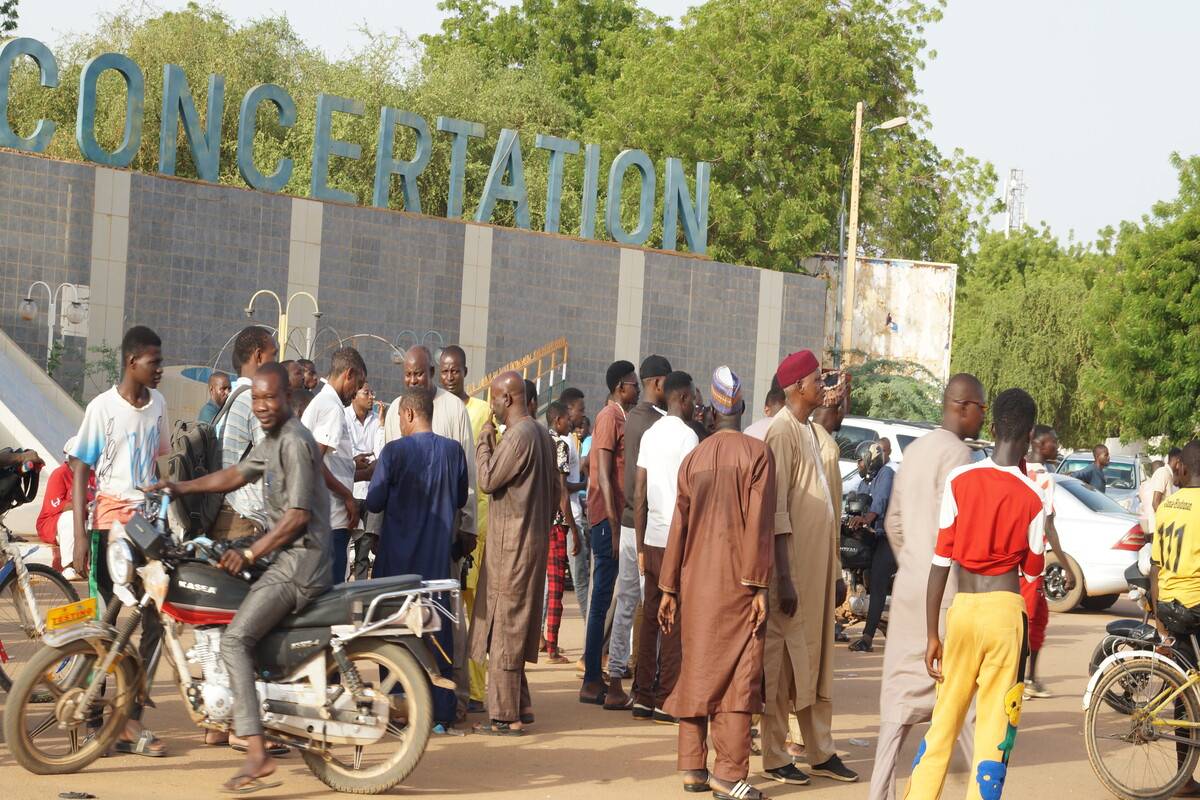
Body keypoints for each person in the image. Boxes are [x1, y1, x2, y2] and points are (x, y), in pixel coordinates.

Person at [150, 362, 331, 794]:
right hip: (286, 557)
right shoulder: (270, 439)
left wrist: (250, 550)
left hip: (300, 564)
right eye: (258, 399)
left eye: (271, 398)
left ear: (287, 397)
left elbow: (298, 517)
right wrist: (181, 488)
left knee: (234, 639)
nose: (264, 406)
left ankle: (255, 751)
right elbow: (235, 475)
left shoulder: (295, 442)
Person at [905, 388, 1046, 799]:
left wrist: (932, 634)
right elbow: (1033, 574)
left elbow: (940, 562)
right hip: (1005, 615)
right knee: (994, 734)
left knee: (943, 724)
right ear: (1029, 433)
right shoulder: (1034, 496)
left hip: (962, 611)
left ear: (993, 426)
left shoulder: (960, 479)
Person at [657, 366, 775, 800]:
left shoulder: (695, 459)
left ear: (711, 411)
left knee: (698, 670)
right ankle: (728, 773)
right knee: (739, 678)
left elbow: (678, 527)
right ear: (741, 408)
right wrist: (760, 584)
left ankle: (692, 767)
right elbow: (760, 526)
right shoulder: (758, 455)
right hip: (740, 585)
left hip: (695, 583)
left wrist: (669, 589)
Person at [866, 373, 986, 800]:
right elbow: (965, 533)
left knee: (897, 702)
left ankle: (880, 792)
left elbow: (894, 522)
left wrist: (915, 561)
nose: (983, 416)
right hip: (948, 590)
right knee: (965, 701)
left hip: (912, 584)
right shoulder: (961, 458)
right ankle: (980, 790)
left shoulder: (914, 452)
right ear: (962, 406)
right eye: (980, 407)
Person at [69, 325, 170, 757]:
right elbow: (79, 470)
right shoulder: (101, 408)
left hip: (148, 530)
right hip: (108, 527)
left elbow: (158, 465)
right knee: (105, 625)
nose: (160, 369)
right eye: (154, 362)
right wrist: (77, 535)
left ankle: (130, 721)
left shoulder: (159, 404)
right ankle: (94, 717)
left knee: (153, 624)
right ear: (132, 363)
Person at [762, 349, 858, 785]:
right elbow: (777, 511)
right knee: (783, 664)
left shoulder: (809, 431)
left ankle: (821, 750)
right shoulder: (781, 432)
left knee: (817, 663)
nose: (825, 386)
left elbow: (825, 507)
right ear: (798, 387)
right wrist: (783, 576)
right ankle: (775, 753)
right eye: (818, 380)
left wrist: (836, 570)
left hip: (820, 571)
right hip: (792, 574)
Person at [365, 385, 468, 730]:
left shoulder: (393, 453)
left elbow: (374, 502)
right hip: (436, 563)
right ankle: (439, 714)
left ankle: (398, 709)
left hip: (396, 564)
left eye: (399, 416)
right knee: (437, 635)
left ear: (408, 413)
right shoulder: (453, 452)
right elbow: (458, 497)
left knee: (391, 635)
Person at [386, 345, 476, 715]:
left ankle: (451, 700)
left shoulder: (453, 410)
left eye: (419, 374)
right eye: (408, 375)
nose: (413, 380)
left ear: (433, 373)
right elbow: (386, 474)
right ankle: (405, 703)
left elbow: (467, 480)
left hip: (443, 537)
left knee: (443, 619)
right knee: (400, 619)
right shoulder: (394, 410)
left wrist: (466, 525)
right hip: (403, 536)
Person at [470, 372, 560, 735]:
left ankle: (505, 714)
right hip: (530, 539)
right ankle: (519, 702)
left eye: (493, 399)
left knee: (505, 624)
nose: (491, 406)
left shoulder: (519, 435)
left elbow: (488, 480)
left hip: (512, 545)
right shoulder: (541, 433)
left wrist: (484, 442)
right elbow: (555, 492)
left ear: (507, 398)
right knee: (515, 622)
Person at [605, 354, 672, 709]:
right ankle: (650, 682)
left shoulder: (630, 419)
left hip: (631, 523)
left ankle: (616, 678)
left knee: (627, 602)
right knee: (653, 606)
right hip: (650, 528)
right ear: (658, 383)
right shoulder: (660, 424)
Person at [633, 370, 697, 723]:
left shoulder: (650, 434)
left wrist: (642, 543)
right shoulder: (688, 438)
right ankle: (667, 695)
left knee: (650, 618)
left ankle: (642, 695)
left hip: (652, 539)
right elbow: (691, 497)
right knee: (674, 620)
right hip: (678, 541)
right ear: (683, 398)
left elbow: (639, 491)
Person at [579, 360, 638, 705]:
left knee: (609, 599)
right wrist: (614, 526)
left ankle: (595, 673)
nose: (637, 388)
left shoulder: (623, 417)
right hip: (606, 519)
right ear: (619, 386)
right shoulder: (607, 418)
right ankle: (589, 679)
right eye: (633, 383)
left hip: (616, 519)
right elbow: (601, 473)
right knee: (601, 601)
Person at [439, 343, 492, 713]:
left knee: (478, 613)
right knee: (447, 609)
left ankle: (474, 689)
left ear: (466, 371)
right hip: (445, 524)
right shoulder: (435, 409)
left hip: (479, 524)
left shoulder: (483, 411)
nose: (450, 376)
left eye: (455, 370)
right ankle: (449, 687)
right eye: (444, 371)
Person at [301, 347, 367, 584]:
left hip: (325, 521)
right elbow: (314, 461)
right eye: (357, 384)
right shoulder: (332, 407)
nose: (356, 392)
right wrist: (347, 496)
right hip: (329, 522)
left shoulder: (324, 402)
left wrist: (354, 467)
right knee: (329, 602)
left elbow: (325, 461)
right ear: (348, 374)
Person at [1022, 425, 1076, 700]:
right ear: (1040, 444)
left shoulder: (1017, 467)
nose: (1056, 447)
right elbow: (1049, 526)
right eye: (1053, 443)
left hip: (1026, 561)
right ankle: (1018, 680)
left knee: (1037, 620)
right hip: (1029, 562)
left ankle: (1029, 678)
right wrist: (1066, 566)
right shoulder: (1043, 477)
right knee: (1028, 622)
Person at [214, 325, 277, 542]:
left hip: (226, 510)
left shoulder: (233, 398)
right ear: (259, 356)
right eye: (274, 354)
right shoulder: (254, 401)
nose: (276, 362)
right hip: (243, 519)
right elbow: (272, 463)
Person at [849, 441, 896, 653]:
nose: (858, 464)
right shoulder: (863, 483)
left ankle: (867, 638)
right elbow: (858, 505)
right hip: (874, 537)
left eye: (860, 460)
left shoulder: (885, 474)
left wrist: (868, 517)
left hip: (889, 538)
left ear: (870, 459)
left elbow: (881, 501)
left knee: (877, 581)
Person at [544, 401, 580, 664]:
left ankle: (541, 640)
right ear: (557, 420)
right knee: (556, 589)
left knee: (540, 588)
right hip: (557, 525)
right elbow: (562, 491)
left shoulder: (541, 441)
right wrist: (574, 532)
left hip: (539, 522)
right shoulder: (562, 445)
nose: (571, 423)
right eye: (567, 418)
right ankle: (553, 648)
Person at [36, 436, 92, 580]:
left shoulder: (92, 475)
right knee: (71, 516)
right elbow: (58, 506)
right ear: (71, 456)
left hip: (84, 521)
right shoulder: (60, 473)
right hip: (53, 523)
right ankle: (69, 566)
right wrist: (84, 506)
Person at [346, 382, 384, 579]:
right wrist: (359, 459)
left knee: (364, 551)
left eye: (372, 392)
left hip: (369, 493)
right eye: (366, 392)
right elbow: (346, 453)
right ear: (354, 395)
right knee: (344, 546)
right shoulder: (343, 417)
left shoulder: (377, 422)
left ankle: (360, 597)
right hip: (348, 492)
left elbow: (379, 452)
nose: (371, 397)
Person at [560, 387, 591, 619]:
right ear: (569, 411)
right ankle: (592, 640)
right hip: (570, 517)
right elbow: (563, 486)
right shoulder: (566, 442)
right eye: (580, 409)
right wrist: (584, 485)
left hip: (560, 518)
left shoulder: (564, 439)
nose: (583, 414)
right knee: (581, 582)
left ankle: (542, 637)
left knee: (551, 583)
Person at [1145, 447, 1182, 535]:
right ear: (1178, 461)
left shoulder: (1169, 474)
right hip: (1158, 528)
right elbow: (1155, 504)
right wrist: (1166, 523)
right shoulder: (1163, 473)